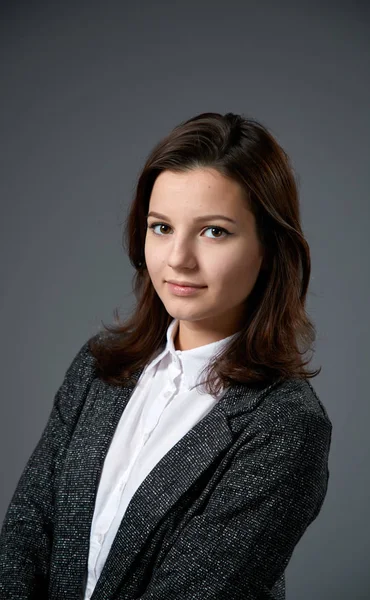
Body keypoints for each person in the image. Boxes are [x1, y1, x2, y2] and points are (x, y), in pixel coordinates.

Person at [0, 111, 332, 600]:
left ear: (269, 248)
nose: (177, 258)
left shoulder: (286, 424)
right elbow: (25, 537)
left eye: (213, 231)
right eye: (161, 227)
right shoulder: (99, 368)